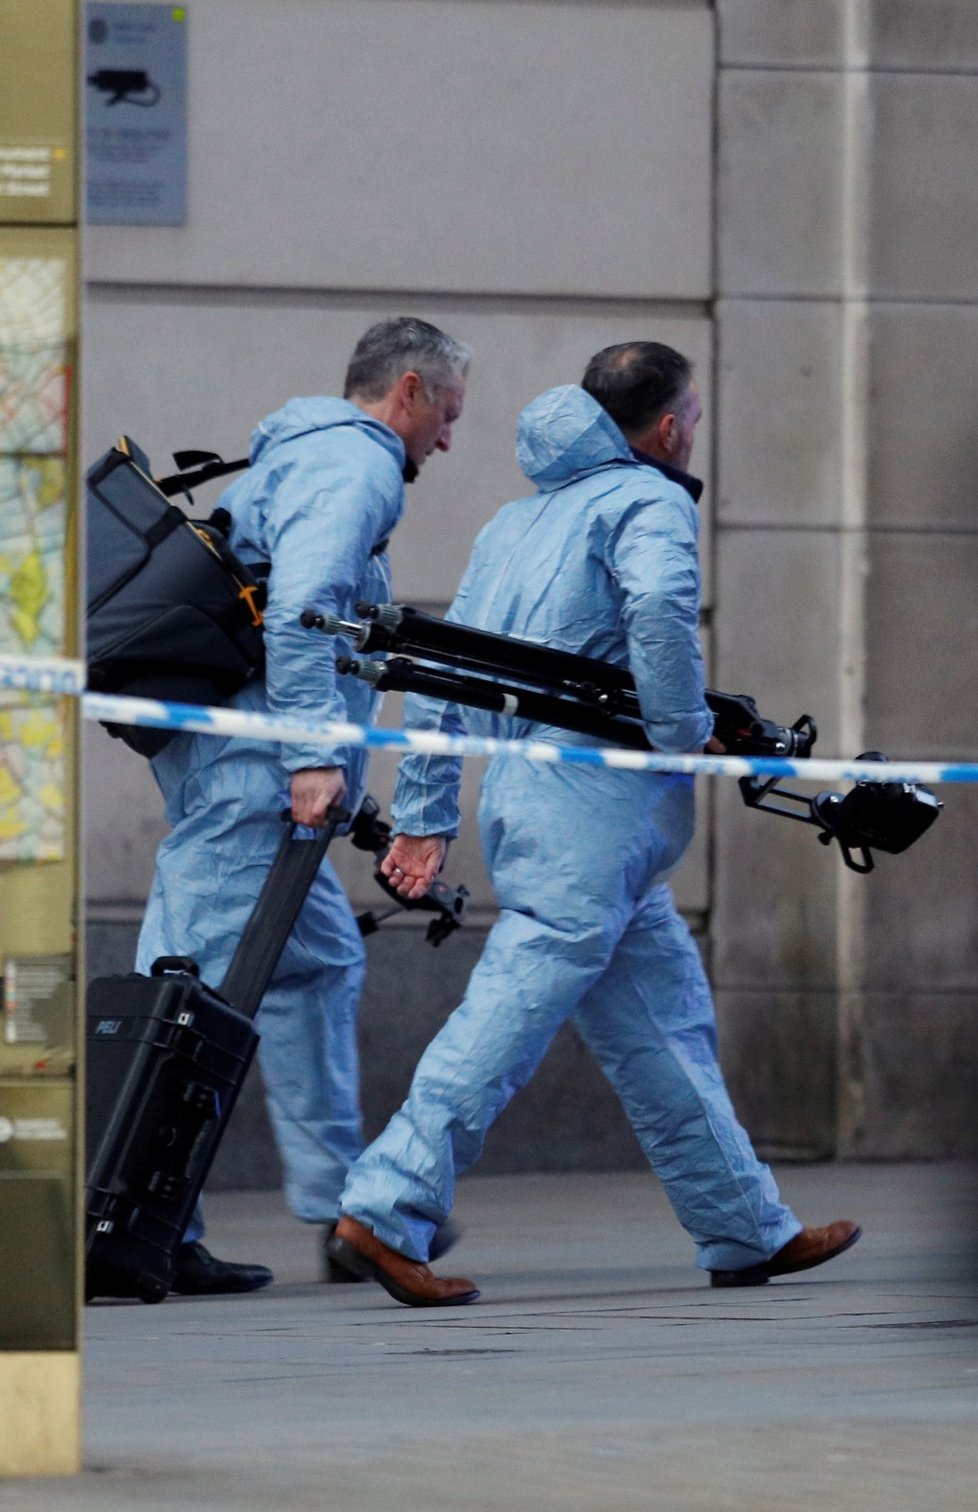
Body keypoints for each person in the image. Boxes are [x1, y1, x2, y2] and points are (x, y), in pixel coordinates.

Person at [327, 341, 861, 1306]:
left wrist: (427, 817)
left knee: (665, 1026)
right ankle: (386, 1203)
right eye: (692, 416)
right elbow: (658, 608)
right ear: (668, 427)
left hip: (540, 803)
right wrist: (682, 733)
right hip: (598, 815)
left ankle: (745, 1226)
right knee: (507, 1015)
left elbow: (450, 677)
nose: (693, 430)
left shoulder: (514, 524)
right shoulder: (650, 500)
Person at [136, 317, 470, 1295]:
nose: (447, 438)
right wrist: (315, 756)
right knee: (183, 1001)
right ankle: (135, 1222)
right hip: (260, 777)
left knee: (317, 966)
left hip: (244, 767)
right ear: (409, 389)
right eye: (448, 413)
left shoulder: (303, 452)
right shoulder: (354, 466)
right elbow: (304, 610)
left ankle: (343, 1211)